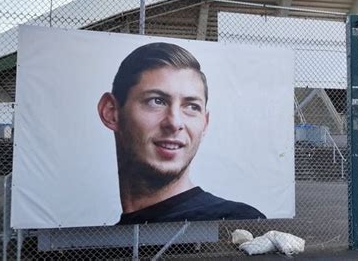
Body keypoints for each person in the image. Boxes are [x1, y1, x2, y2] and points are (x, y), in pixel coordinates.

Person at [98, 42, 266, 224]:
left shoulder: (234, 223)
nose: (174, 123)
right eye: (156, 101)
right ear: (111, 112)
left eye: (192, 106)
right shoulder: (97, 244)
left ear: (205, 123)